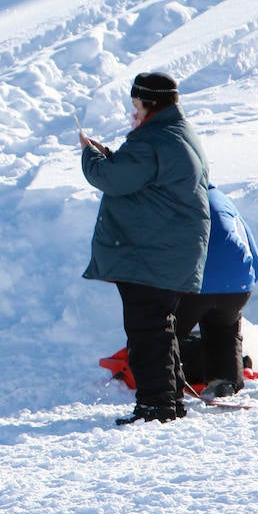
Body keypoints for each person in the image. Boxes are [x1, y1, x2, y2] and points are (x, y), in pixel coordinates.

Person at [80, 71, 210, 425]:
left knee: (147, 332)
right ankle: (168, 402)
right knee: (159, 329)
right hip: (166, 253)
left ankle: (156, 408)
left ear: (150, 102)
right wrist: (111, 156)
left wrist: (91, 156)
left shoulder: (152, 140)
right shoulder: (175, 133)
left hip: (152, 255)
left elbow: (111, 178)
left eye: (136, 103)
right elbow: (136, 175)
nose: (132, 111)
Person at [175, 184, 258, 398]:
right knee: (224, 328)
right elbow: (254, 256)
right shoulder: (224, 201)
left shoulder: (180, 199)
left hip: (196, 282)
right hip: (238, 284)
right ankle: (224, 381)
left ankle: (167, 384)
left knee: (167, 334)